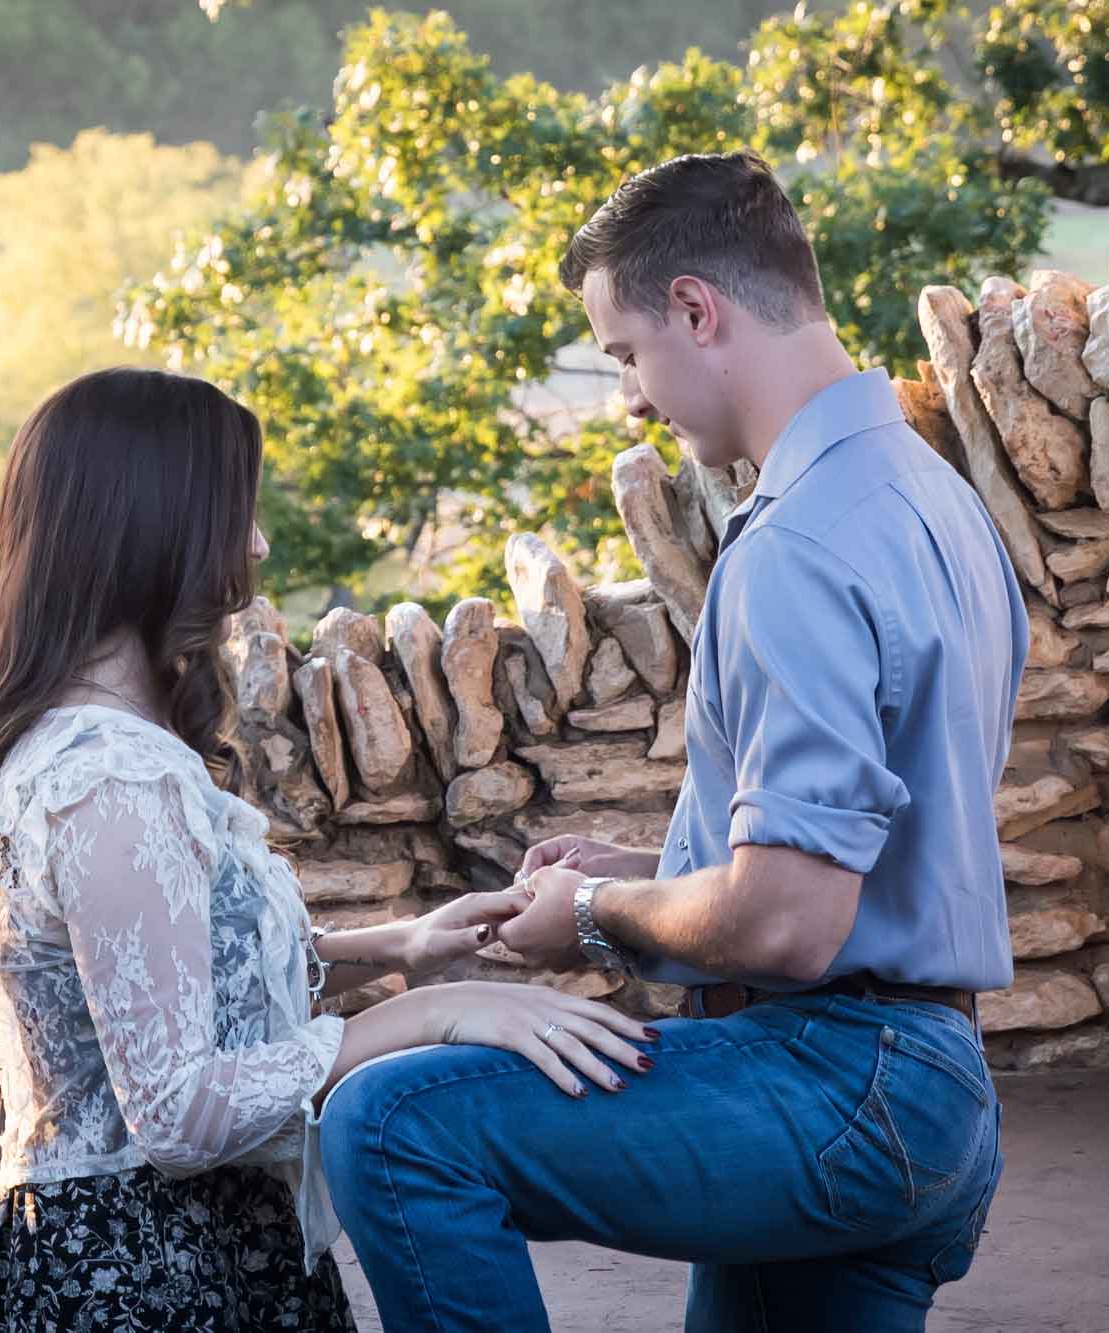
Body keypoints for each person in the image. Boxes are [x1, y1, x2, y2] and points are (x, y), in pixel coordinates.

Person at [320, 150, 1029, 1332]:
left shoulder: (798, 541)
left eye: (624, 355)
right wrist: (659, 874)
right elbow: (862, 860)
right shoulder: (934, 499)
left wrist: (594, 917)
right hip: (933, 1082)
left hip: (835, 1077)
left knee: (392, 1123)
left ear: (695, 310)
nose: (630, 400)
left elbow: (788, 923)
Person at [0, 368, 657, 1332]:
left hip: (193, 1248)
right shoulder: (110, 777)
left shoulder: (103, 750)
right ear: (151, 528)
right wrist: (439, 1015)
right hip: (146, 1277)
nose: (255, 544)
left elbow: (178, 979)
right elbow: (179, 1113)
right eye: (234, 514)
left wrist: (401, 946)